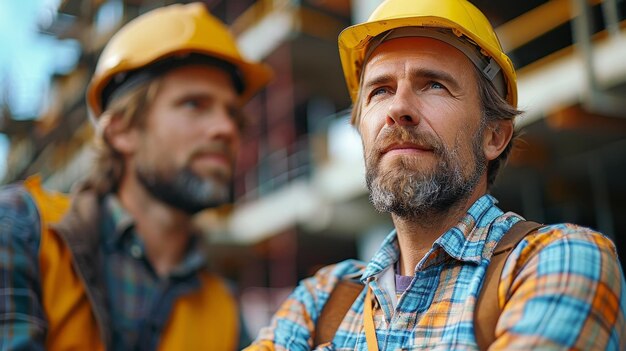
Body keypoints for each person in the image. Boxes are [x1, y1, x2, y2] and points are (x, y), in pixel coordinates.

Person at [246, 0, 626, 350]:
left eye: (434, 85)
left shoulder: (558, 260)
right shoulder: (319, 299)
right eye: (380, 91)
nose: (399, 108)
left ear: (494, 136)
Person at [0, 3, 272, 350]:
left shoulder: (224, 309)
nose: (226, 129)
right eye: (194, 104)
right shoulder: (22, 231)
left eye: (233, 114)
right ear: (121, 131)